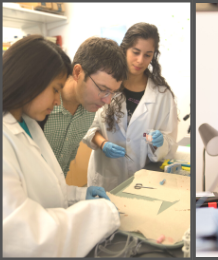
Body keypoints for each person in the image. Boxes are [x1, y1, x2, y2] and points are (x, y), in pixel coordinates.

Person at [3, 35, 120, 257]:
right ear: (30, 80)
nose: (57, 100)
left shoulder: (27, 124)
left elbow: (41, 185)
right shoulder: (21, 126)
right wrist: (102, 214)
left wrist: (75, 195)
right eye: (55, 89)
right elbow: (25, 235)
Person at [82, 22, 179, 191]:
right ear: (125, 49)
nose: (140, 60)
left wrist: (160, 142)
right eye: (136, 52)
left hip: (145, 180)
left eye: (148, 55)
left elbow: (170, 141)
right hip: (106, 177)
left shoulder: (162, 95)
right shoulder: (105, 83)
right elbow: (86, 125)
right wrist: (103, 143)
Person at [39, 37, 127, 177]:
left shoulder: (89, 110)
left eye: (112, 92)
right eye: (102, 89)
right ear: (78, 72)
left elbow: (63, 167)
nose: (108, 100)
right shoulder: (42, 105)